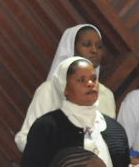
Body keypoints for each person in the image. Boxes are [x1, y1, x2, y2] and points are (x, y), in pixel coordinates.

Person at [15, 24, 115, 152]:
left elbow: (110, 141)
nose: (94, 50)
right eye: (87, 44)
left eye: (99, 46)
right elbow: (25, 138)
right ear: (70, 49)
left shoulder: (106, 95)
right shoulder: (48, 90)